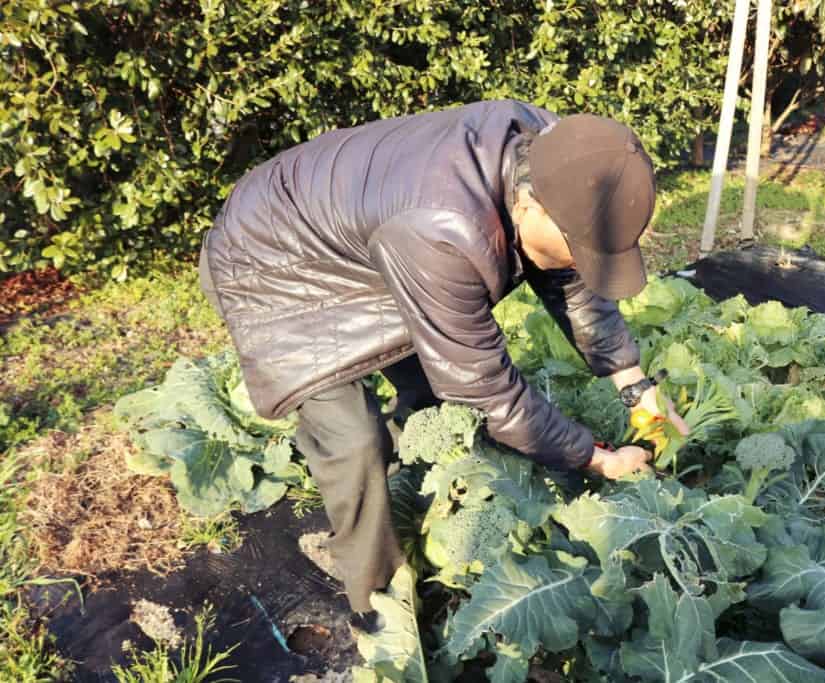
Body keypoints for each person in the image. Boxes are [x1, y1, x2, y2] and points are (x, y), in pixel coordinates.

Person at [197, 99, 688, 618]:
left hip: (365, 233)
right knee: (352, 440)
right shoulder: (444, 229)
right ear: (529, 208)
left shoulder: (560, 153)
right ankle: (378, 606)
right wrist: (596, 457)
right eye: (578, 249)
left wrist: (638, 390)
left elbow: (576, 284)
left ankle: (414, 482)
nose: (579, 264)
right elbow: (487, 389)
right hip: (271, 260)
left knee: (432, 388)